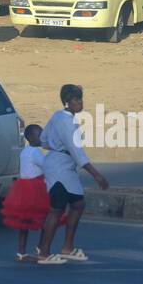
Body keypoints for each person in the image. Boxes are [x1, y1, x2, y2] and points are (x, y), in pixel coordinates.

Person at [37, 84, 109, 265]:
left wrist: (55, 146)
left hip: (61, 164)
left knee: (78, 203)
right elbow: (78, 153)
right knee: (57, 208)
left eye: (80, 99)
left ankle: (67, 247)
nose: (80, 103)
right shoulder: (67, 122)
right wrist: (97, 175)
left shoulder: (58, 116)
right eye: (76, 100)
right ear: (67, 102)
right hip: (60, 168)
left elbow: (44, 139)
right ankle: (44, 252)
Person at [1, 124, 52, 262]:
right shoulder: (35, 152)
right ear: (30, 137)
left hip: (24, 189)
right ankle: (42, 247)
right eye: (39, 135)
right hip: (35, 188)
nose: (42, 137)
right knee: (47, 218)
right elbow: (46, 165)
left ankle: (21, 251)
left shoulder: (24, 151)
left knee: (24, 222)